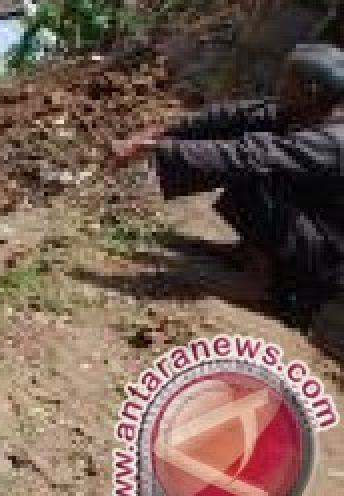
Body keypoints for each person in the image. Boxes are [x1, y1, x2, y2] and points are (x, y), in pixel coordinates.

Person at [112, 43, 344, 328]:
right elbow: (237, 115)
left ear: (311, 91)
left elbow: (250, 155)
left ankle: (276, 289)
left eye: (287, 81)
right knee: (253, 155)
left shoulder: (335, 140)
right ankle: (254, 254)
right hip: (314, 227)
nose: (279, 86)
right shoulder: (311, 110)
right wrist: (163, 134)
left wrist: (159, 151)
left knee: (254, 170)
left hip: (329, 256)